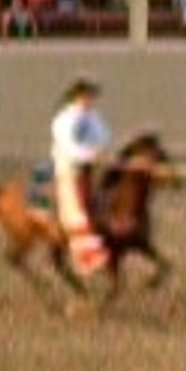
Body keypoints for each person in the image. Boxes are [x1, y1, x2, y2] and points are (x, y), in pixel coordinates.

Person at [51, 78, 112, 277]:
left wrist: (100, 150)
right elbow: (68, 147)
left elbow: (103, 134)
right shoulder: (64, 120)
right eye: (86, 96)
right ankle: (85, 256)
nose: (88, 100)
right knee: (74, 208)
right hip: (68, 167)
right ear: (76, 97)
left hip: (89, 167)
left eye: (90, 96)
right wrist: (90, 154)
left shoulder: (92, 116)